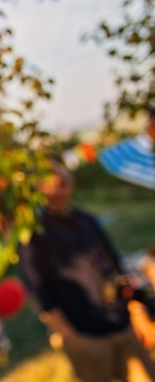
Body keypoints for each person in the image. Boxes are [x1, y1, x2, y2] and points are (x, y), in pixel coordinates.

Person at [19, 159, 155, 382]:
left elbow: (116, 269)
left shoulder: (86, 220)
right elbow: (39, 291)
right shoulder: (34, 234)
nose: (56, 186)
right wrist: (70, 337)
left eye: (60, 180)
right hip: (86, 335)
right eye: (48, 181)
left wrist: (137, 312)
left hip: (122, 325)